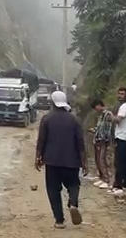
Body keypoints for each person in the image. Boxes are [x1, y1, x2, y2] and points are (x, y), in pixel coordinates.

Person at [35, 90, 87, 229]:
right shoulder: (75, 120)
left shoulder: (47, 119)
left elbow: (41, 140)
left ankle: (59, 220)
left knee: (53, 190)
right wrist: (84, 162)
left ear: (52, 103)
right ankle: (73, 204)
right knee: (73, 184)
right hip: (72, 161)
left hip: (52, 161)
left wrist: (38, 157)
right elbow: (80, 142)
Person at [108, 87, 126, 195]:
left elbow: (117, 120)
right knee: (125, 161)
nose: (119, 96)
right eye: (119, 93)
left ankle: (118, 186)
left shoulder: (124, 106)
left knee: (119, 162)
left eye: (122, 94)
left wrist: (110, 115)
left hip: (122, 137)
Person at [89, 99, 114, 189]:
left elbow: (108, 128)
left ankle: (107, 179)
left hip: (104, 140)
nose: (95, 109)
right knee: (98, 159)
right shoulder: (100, 115)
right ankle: (102, 177)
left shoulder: (107, 114)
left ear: (99, 105)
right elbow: (100, 127)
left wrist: (104, 138)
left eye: (95, 107)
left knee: (102, 159)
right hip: (98, 140)